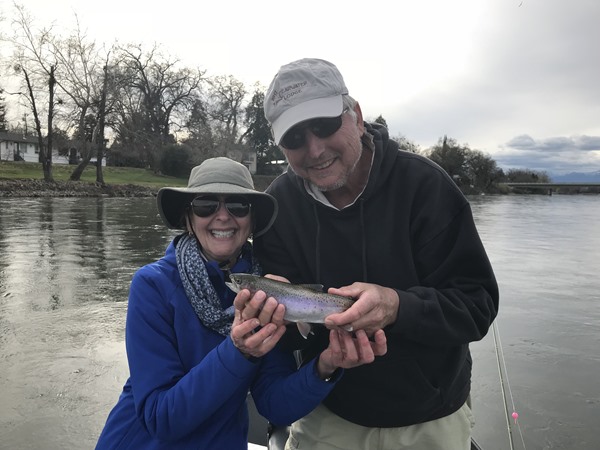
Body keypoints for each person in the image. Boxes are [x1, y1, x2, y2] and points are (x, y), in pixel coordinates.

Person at [242, 58, 499, 450]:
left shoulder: (426, 188)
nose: (314, 149)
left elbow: (477, 307)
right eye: (294, 138)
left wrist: (398, 307)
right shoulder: (279, 204)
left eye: (325, 125)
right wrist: (271, 323)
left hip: (428, 414)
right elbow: (291, 343)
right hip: (328, 408)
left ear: (357, 117)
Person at [95, 157, 386, 450]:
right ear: (188, 218)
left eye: (237, 206)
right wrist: (239, 352)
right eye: (206, 205)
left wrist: (325, 366)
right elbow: (161, 419)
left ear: (252, 221)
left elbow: (275, 406)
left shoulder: (267, 291)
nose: (222, 216)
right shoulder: (152, 285)